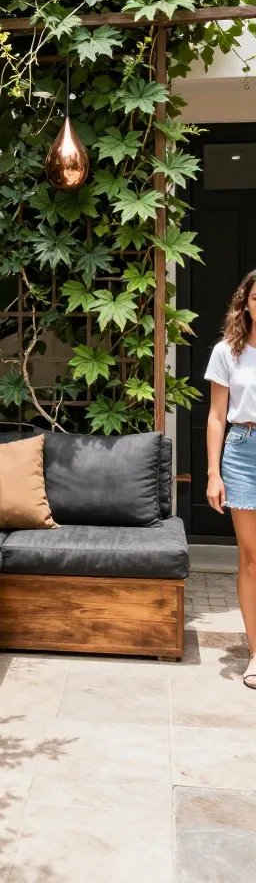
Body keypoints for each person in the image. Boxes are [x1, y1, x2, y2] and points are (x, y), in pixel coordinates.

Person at [205, 268, 256, 689]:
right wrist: (212, 472)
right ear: (246, 303)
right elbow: (217, 417)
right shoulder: (227, 352)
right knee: (251, 558)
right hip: (243, 451)